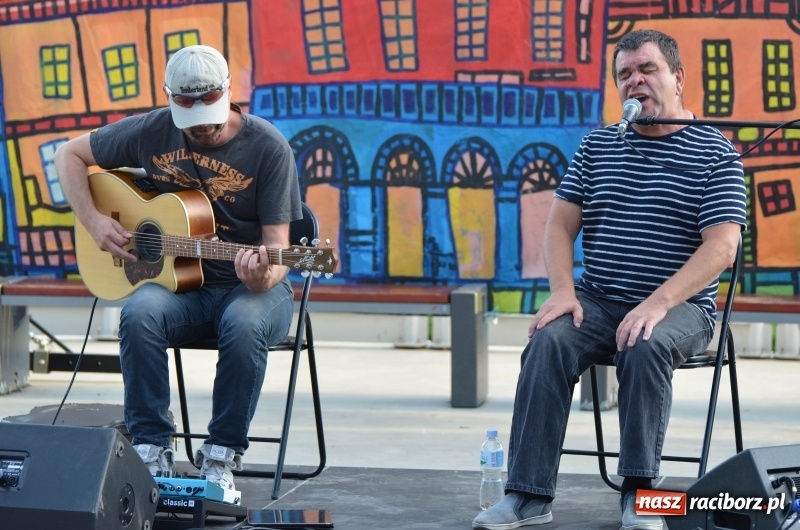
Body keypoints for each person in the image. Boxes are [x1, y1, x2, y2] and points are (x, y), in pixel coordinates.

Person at [472, 29, 747, 530]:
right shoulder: (599, 144)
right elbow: (558, 224)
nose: (634, 81)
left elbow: (722, 247)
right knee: (548, 340)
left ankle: (641, 497)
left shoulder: (717, 154)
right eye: (624, 74)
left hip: (681, 308)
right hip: (599, 299)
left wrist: (657, 304)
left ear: (678, 78)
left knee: (644, 342)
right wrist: (562, 292)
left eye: (647, 70)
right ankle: (528, 496)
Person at [55, 44, 302, 492]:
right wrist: (94, 223)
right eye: (191, 120)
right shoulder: (151, 130)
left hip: (254, 289)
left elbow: (278, 250)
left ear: (228, 93)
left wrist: (263, 274)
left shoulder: (268, 148)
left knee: (244, 323)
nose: (202, 130)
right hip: (182, 284)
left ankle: (221, 457)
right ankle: (151, 450)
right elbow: (68, 156)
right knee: (138, 313)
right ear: (170, 98)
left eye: (210, 117)